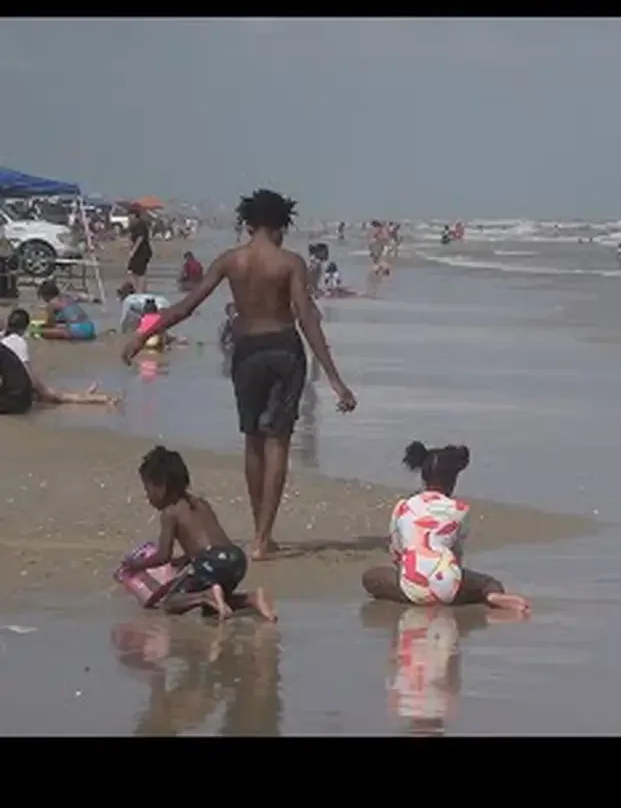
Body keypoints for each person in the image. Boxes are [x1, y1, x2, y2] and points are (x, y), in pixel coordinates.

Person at [121, 188, 358, 561]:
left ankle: (258, 531)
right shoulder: (290, 262)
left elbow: (186, 306)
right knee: (277, 441)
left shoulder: (231, 261)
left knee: (252, 439)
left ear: (248, 224)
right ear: (280, 225)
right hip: (283, 348)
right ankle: (263, 538)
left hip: (247, 352)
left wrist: (142, 336)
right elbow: (307, 318)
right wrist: (334, 379)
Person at [361, 442, 530, 613]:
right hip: (448, 586)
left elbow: (397, 551)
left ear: (423, 477)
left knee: (370, 577)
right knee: (488, 583)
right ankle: (492, 596)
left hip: (412, 585)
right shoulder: (460, 510)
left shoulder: (404, 506)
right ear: (454, 479)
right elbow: (456, 554)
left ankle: (416, 594)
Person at [119, 446, 276, 622]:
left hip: (212, 561)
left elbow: (163, 555)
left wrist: (137, 565)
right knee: (212, 608)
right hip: (236, 558)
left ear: (161, 487)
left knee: (171, 602)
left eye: (148, 490)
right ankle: (252, 599)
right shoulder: (200, 502)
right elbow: (207, 540)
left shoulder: (170, 512)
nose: (148, 498)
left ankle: (206, 595)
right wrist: (186, 559)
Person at [2, 309, 118, 405]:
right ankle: (100, 399)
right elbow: (29, 375)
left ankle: (87, 396)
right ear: (25, 327)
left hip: (6, 386)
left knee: (55, 395)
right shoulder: (18, 342)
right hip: (13, 391)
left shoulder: (3, 337)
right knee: (58, 396)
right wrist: (44, 391)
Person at [127, 209, 153, 292]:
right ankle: (141, 290)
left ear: (135, 215)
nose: (129, 217)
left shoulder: (140, 224)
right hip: (141, 252)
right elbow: (133, 239)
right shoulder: (133, 225)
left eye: (130, 215)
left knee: (138, 272)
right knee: (134, 271)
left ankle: (140, 291)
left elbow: (140, 238)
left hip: (143, 252)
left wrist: (133, 251)